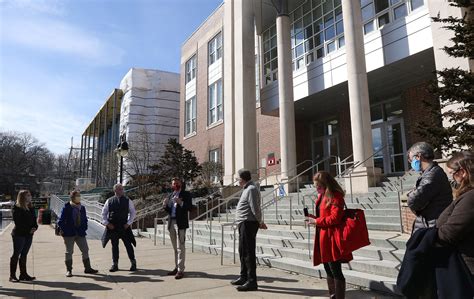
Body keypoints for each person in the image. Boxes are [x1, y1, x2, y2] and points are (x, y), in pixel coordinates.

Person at [306, 171, 353, 299]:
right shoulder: (321, 196)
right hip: (322, 237)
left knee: (335, 270)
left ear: (326, 185)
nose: (317, 189)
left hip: (331, 237)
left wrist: (317, 221)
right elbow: (324, 216)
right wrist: (313, 218)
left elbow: (335, 218)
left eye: (319, 187)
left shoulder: (335, 195)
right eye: (316, 187)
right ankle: (333, 295)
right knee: (327, 268)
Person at [437, 151, 474, 284]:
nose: (451, 178)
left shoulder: (470, 197)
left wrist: (428, 236)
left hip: (467, 267)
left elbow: (450, 232)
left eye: (451, 173)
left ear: (463, 172)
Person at [230, 169, 267, 292]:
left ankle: (252, 281)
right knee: (242, 251)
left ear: (242, 179)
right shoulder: (247, 188)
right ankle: (243, 276)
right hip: (243, 223)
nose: (237, 181)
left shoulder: (251, 189)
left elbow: (255, 207)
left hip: (248, 223)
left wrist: (260, 221)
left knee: (248, 253)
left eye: (238, 178)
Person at [406, 142, 452, 233]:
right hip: (429, 224)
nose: (411, 163)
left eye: (411, 160)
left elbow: (413, 200)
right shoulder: (429, 173)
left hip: (432, 226)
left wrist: (410, 194)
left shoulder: (432, 174)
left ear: (419, 156)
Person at [57, 190, 98, 277]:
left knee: (85, 250)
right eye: (77, 196)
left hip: (80, 232)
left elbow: (85, 219)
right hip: (69, 233)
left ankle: (88, 268)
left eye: (79, 195)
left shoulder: (82, 208)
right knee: (69, 252)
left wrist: (85, 227)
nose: (79, 197)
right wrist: (64, 230)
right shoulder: (67, 207)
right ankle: (69, 270)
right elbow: (61, 221)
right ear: (72, 197)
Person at [101, 183, 137, 272]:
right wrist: (107, 223)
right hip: (113, 227)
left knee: (128, 245)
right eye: (119, 189)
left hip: (124, 226)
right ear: (115, 190)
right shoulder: (109, 201)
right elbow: (103, 213)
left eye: (122, 189)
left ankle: (133, 263)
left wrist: (128, 223)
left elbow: (133, 212)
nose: (121, 191)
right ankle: (115, 264)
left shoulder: (127, 200)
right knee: (114, 246)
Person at [163, 177, 192, 279]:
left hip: (180, 224)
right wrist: (165, 205)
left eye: (177, 183)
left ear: (181, 184)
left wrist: (181, 202)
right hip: (171, 222)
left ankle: (180, 270)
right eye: (174, 183)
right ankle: (176, 267)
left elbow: (190, 208)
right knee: (175, 247)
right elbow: (170, 210)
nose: (175, 185)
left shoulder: (186, 194)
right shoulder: (171, 195)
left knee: (181, 247)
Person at [9, 190, 37, 282]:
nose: (30, 197)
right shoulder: (16, 208)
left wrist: (34, 227)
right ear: (22, 197)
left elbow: (34, 221)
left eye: (30, 195)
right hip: (19, 234)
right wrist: (29, 229)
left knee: (24, 254)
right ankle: (12, 276)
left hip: (29, 235)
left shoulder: (31, 207)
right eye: (28, 195)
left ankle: (23, 274)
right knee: (16, 254)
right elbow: (18, 223)